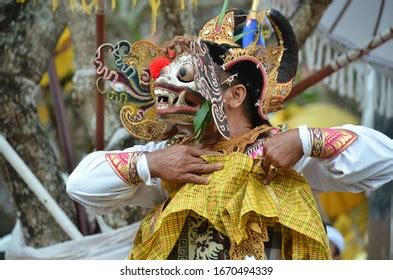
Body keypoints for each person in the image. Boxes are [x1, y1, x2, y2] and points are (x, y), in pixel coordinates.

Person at [67, 7, 393, 260]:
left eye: (191, 73)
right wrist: (150, 164)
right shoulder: (171, 157)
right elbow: (80, 185)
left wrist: (305, 140)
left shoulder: (279, 152)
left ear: (235, 95)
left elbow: (385, 160)